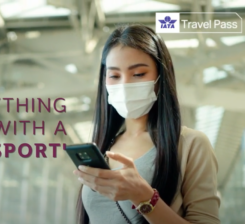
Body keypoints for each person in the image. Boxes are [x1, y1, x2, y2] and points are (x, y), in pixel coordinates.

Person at [73, 24, 220, 224]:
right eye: (115, 76)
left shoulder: (191, 144)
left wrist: (143, 196)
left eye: (139, 74)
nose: (124, 85)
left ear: (161, 78)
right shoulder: (103, 147)